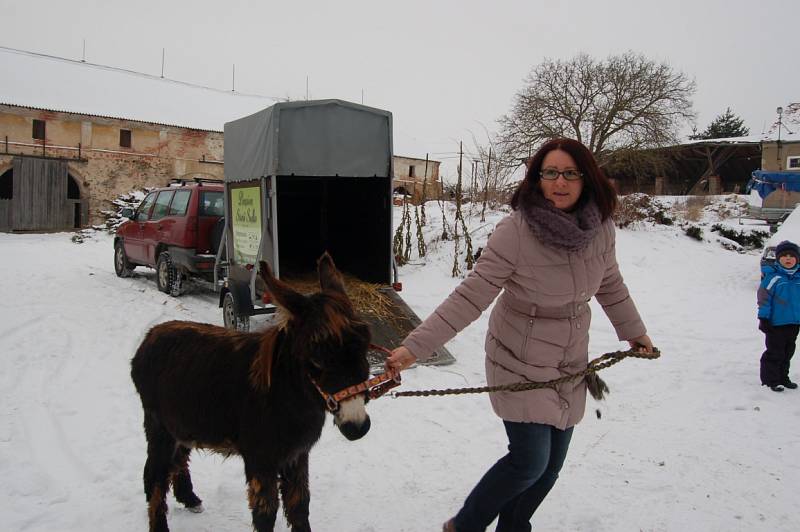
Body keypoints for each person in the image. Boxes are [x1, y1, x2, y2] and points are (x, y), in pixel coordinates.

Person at [385, 137, 654, 532]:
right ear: (536, 178)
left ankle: (513, 526)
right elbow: (470, 297)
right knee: (529, 461)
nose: (558, 182)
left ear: (586, 178)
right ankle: (464, 525)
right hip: (517, 357)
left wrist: (635, 333)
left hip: (569, 361)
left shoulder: (601, 230)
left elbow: (610, 283)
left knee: (549, 470)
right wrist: (414, 348)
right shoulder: (516, 232)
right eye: (549, 173)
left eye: (569, 173)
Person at [757, 240, 800, 392]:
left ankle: (783, 377)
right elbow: (764, 299)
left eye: (791, 256)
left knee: (788, 352)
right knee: (775, 352)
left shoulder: (798, 278)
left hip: (794, 323)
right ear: (778, 258)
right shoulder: (773, 277)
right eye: (784, 256)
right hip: (775, 324)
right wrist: (764, 318)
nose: (788, 258)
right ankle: (771, 380)